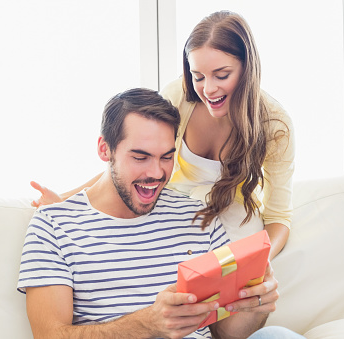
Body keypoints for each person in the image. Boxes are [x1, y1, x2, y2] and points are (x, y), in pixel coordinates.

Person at [18, 88, 301, 339]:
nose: (155, 173)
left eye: (166, 157)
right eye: (140, 157)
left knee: (276, 334)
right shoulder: (53, 225)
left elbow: (226, 333)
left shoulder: (198, 217)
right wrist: (148, 324)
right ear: (105, 150)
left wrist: (255, 305)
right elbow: (49, 334)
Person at [30, 11, 295, 260]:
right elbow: (130, 159)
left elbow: (279, 216)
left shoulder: (275, 124)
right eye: (198, 76)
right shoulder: (179, 97)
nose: (209, 89)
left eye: (221, 75)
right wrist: (66, 200)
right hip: (173, 207)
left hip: (232, 219)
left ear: (247, 69)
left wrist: (259, 260)